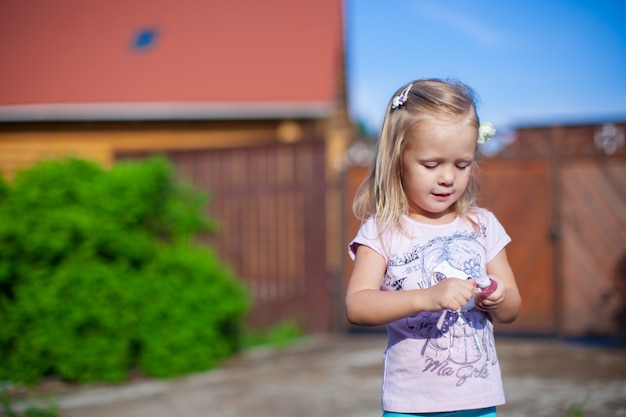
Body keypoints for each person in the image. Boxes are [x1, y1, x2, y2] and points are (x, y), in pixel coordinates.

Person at [345, 78, 522, 417]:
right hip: (411, 405)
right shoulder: (383, 231)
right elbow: (357, 305)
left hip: (477, 402)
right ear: (398, 159)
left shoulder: (482, 226)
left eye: (462, 164)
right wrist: (426, 298)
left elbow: (512, 308)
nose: (447, 178)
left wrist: (497, 297)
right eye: (431, 165)